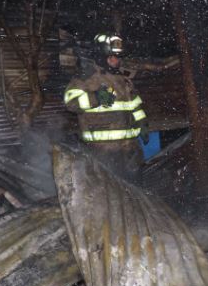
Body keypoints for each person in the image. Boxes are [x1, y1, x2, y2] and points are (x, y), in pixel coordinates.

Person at [63, 33, 147, 180]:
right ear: (101, 56)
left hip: (130, 150)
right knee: (110, 196)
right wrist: (96, 97)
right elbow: (70, 101)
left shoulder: (123, 79)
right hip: (103, 152)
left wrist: (142, 122)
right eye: (111, 57)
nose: (116, 61)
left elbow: (134, 103)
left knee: (136, 193)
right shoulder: (87, 77)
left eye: (118, 57)